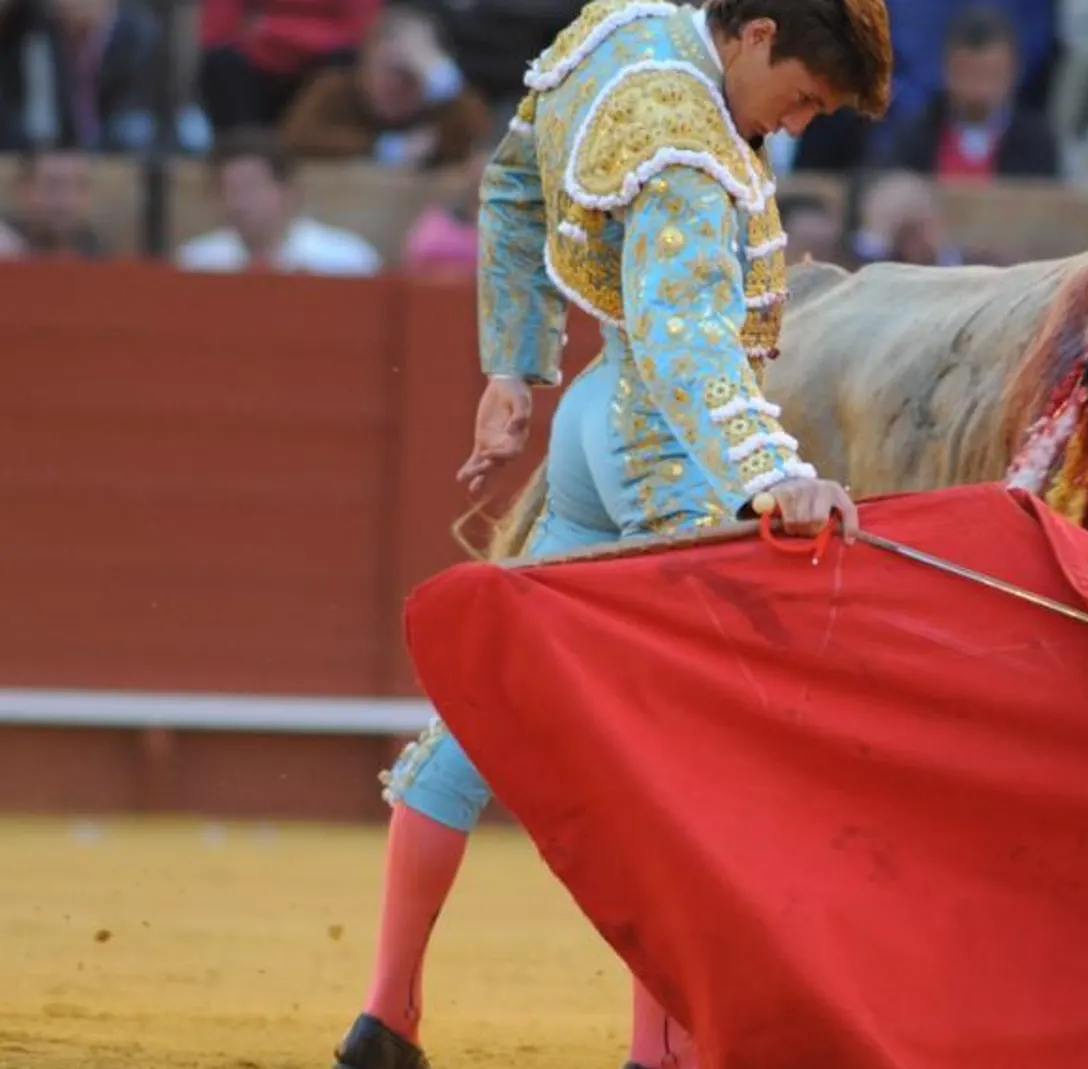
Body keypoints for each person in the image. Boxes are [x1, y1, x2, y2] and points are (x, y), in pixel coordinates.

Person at [330, 2, 894, 1067]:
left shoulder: (623, 25)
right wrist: (775, 476)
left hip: (593, 421)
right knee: (687, 764)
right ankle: (661, 1054)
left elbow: (508, 182)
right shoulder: (685, 141)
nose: (796, 128)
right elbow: (686, 349)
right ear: (757, 35)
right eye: (805, 98)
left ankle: (385, 1019)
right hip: (659, 447)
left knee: (489, 716)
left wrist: (515, 363)